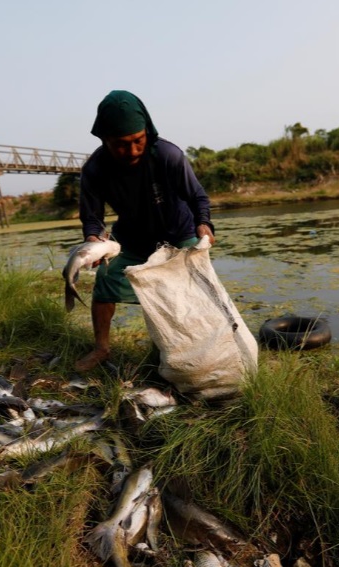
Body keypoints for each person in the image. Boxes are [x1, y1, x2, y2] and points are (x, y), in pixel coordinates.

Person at [75, 90, 215, 372]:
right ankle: (101, 348)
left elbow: (197, 197)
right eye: (121, 145)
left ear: (147, 132)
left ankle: (169, 352)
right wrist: (93, 240)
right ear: (105, 140)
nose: (133, 151)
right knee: (105, 281)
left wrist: (205, 224)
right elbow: (92, 218)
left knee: (179, 295)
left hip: (179, 234)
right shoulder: (95, 169)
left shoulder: (168, 155)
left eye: (138, 141)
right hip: (131, 239)